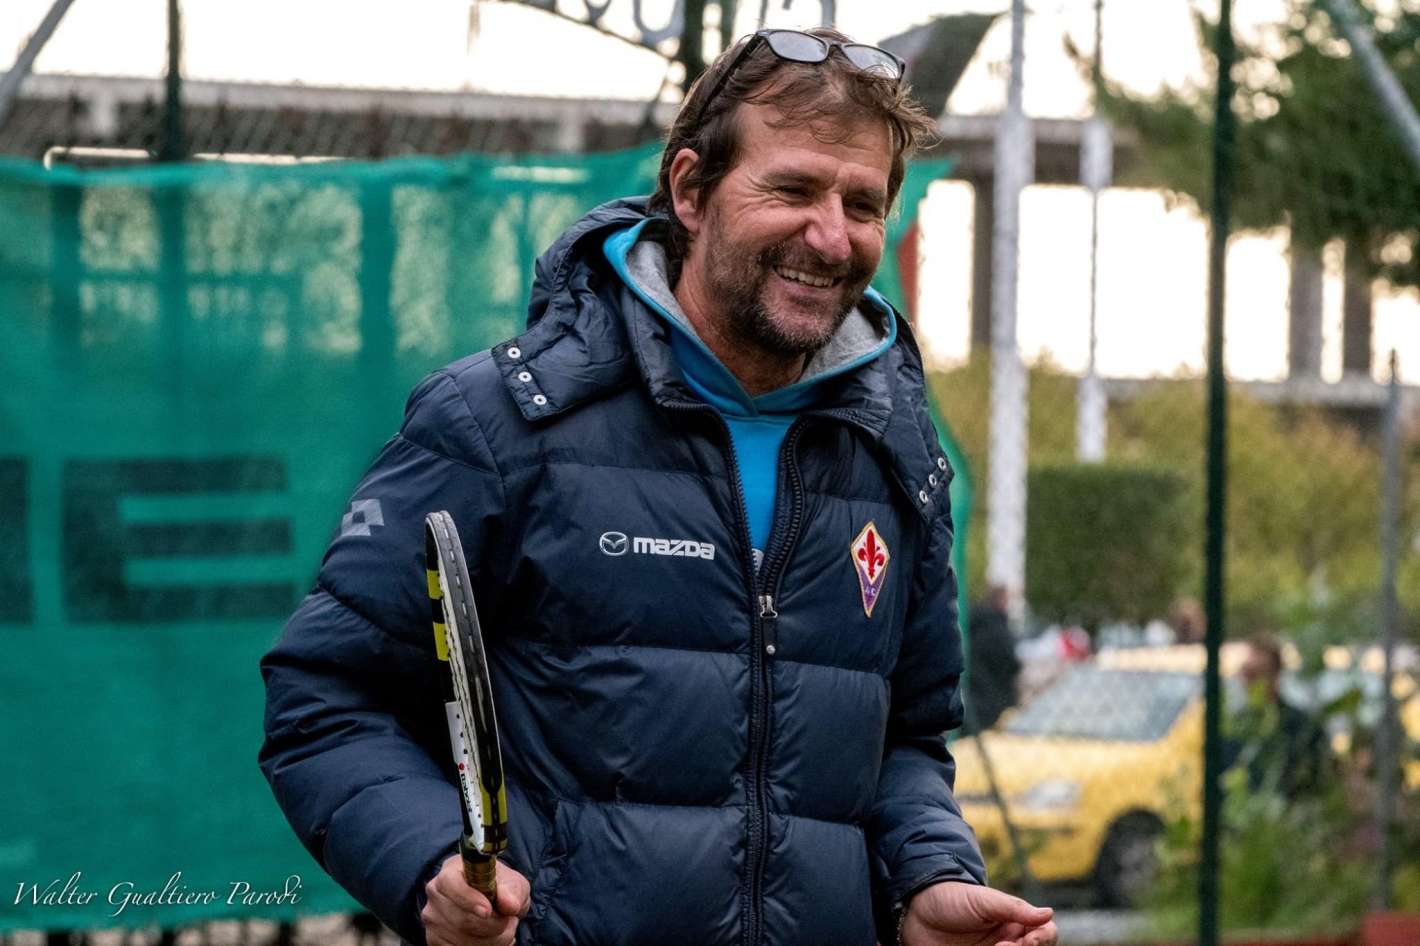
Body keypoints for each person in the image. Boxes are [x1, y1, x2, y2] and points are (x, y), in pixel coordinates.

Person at [259, 26, 1057, 946]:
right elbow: (326, 697)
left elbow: (906, 741)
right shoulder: (496, 423)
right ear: (690, 190)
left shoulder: (898, 449)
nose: (831, 236)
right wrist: (430, 861)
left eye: (862, 204)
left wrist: (927, 879)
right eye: (794, 190)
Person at [1225, 632, 1327, 798]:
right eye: (1246, 673)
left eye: (1256, 673)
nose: (1248, 681)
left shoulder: (1302, 728)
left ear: (1275, 675)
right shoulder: (1233, 729)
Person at [964, 585, 1021, 733]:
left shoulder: (971, 624)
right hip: (993, 698)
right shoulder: (997, 629)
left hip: (972, 693)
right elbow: (1011, 663)